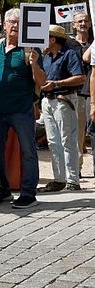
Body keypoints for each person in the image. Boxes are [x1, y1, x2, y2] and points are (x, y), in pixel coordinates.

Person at [0, 8, 44, 209]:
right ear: (5, 25)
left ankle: (28, 193)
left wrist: (34, 65)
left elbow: (42, 81)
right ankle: (3, 189)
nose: (15, 26)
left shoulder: (31, 49)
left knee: (28, 151)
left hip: (21, 109)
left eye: (19, 22)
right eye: (12, 22)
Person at [38, 25, 84, 192]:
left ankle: (72, 179)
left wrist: (57, 83)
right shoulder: (46, 57)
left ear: (52, 39)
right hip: (48, 101)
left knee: (67, 140)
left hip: (64, 100)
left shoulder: (69, 54)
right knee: (53, 142)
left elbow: (80, 78)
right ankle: (59, 179)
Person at [69, 12, 91, 172]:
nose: (83, 23)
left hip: (93, 92)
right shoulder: (69, 45)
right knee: (78, 134)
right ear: (74, 25)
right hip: (79, 93)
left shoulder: (93, 42)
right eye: (80, 21)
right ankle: (77, 169)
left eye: (86, 21)